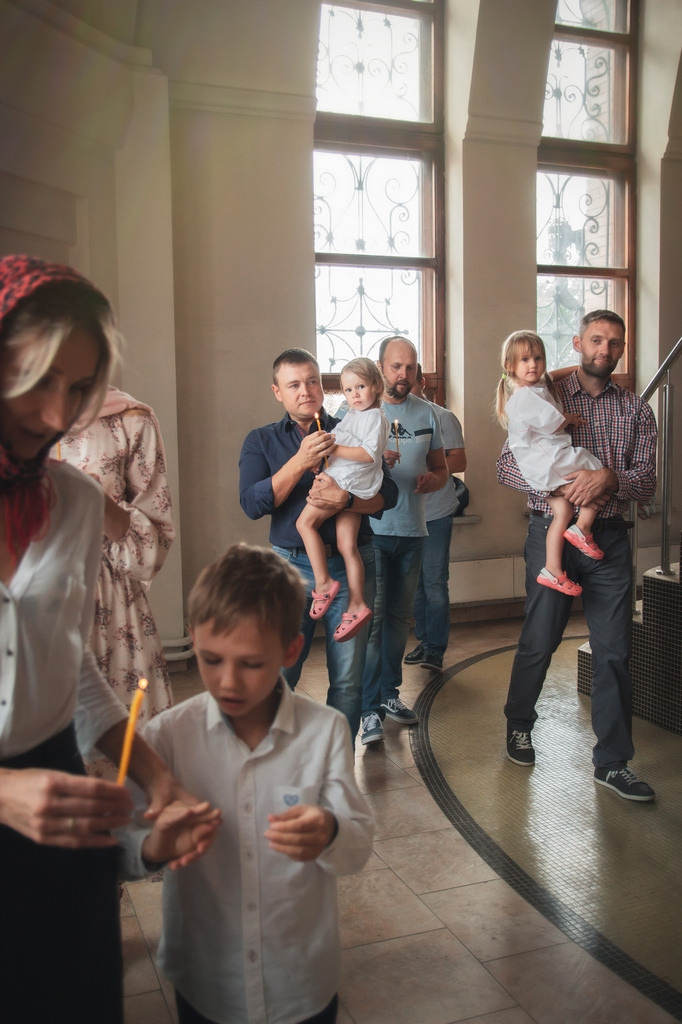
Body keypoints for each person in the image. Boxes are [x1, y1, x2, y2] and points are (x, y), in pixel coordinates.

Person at [0, 254, 214, 1023]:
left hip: (57, 784)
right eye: (41, 379)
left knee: (77, 991)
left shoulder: (74, 503)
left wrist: (155, 777)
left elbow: (69, 669)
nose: (58, 415)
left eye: (80, 388)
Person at [119, 543, 374, 1024]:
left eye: (251, 664)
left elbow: (357, 842)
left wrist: (330, 831)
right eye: (212, 659)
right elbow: (121, 847)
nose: (229, 681)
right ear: (193, 639)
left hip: (300, 981)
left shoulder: (324, 732)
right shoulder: (167, 739)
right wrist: (154, 846)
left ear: (290, 650)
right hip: (206, 979)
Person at [497, 309, 657, 802]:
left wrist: (608, 479)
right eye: (595, 340)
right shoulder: (544, 393)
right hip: (550, 531)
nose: (604, 350)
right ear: (577, 342)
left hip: (608, 540)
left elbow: (647, 481)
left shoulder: (636, 410)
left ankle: (612, 762)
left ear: (622, 349)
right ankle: (519, 725)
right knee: (539, 641)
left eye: (613, 343)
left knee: (614, 654)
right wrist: (562, 488)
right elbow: (507, 467)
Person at [238, 348, 398, 741]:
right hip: (289, 569)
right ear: (278, 391)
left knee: (347, 679)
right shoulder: (261, 440)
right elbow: (252, 504)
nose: (306, 390)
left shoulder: (351, 425)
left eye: (312, 381)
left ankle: (335, 768)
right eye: (294, 384)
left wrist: (346, 500)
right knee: (281, 670)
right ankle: (268, 756)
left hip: (352, 560)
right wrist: (298, 461)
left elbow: (388, 496)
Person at [58, 386, 175, 766]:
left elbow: (153, 549)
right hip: (24, 605)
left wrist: (98, 503)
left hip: (110, 610)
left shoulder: (130, 419)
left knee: (124, 772)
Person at [360, 337, 448, 746]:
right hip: (373, 533)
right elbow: (341, 466)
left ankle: (390, 694)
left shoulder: (428, 412)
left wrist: (436, 479)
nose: (403, 375)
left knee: (398, 621)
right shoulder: (360, 410)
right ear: (381, 367)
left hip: (414, 532)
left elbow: (442, 468)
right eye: (396, 367)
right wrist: (377, 460)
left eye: (410, 367)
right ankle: (368, 709)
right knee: (373, 624)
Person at [496, 330, 605, 597]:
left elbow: (552, 376)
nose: (533, 365)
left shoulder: (530, 387)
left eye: (538, 358)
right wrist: (570, 418)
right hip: (548, 461)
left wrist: (579, 367)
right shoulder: (525, 396)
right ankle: (583, 528)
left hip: (539, 468)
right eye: (525, 360)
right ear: (510, 367)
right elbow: (552, 421)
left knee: (563, 512)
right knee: (593, 468)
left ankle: (552, 569)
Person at [296, 356, 390, 641]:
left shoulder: (374, 417)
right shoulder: (352, 415)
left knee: (304, 524)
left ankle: (323, 583)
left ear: (375, 385)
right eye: (348, 390)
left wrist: (333, 451)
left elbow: (368, 454)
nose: (355, 395)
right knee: (347, 545)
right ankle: (358, 604)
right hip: (348, 480)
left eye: (361, 386)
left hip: (350, 481)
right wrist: (321, 457)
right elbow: (333, 444)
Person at [404, 364, 467, 672]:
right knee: (415, 585)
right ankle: (425, 642)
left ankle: (436, 649)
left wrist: (428, 468)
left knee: (434, 583)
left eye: (410, 379)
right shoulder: (390, 416)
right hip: (406, 514)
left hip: (437, 513)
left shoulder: (442, 416)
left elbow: (459, 458)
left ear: (422, 381)